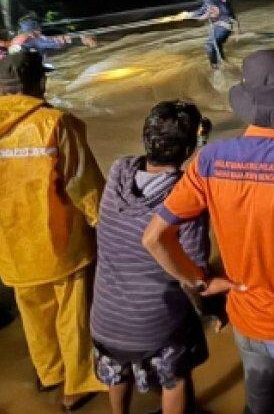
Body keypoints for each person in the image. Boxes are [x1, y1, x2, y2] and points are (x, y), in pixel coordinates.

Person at [143, 49, 274, 414]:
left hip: (245, 317)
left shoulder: (208, 159)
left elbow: (155, 238)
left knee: (259, 406)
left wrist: (199, 282)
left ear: (245, 99)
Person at [0, 51, 105, 411]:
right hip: (58, 240)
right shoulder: (54, 123)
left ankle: (49, 371)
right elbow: (82, 183)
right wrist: (105, 223)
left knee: (33, 309)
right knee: (73, 311)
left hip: (6, 243)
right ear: (39, 82)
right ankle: (78, 381)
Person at [91, 101, 225, 414]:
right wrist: (215, 308)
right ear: (190, 145)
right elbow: (194, 273)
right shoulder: (185, 201)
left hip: (104, 320)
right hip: (153, 327)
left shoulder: (118, 172)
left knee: (116, 369)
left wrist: (194, 142)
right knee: (175, 378)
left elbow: (168, 175)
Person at [173, 0, 236, 69]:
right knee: (216, 46)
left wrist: (190, 16)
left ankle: (215, 68)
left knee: (209, 44)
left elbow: (208, 11)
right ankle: (225, 65)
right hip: (227, 25)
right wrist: (189, 14)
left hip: (224, 25)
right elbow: (204, 9)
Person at [10, 16, 96, 62]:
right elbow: (55, 42)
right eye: (39, 28)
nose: (40, 30)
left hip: (20, 68)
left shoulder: (16, 40)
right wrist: (81, 39)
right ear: (35, 28)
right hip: (33, 69)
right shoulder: (35, 39)